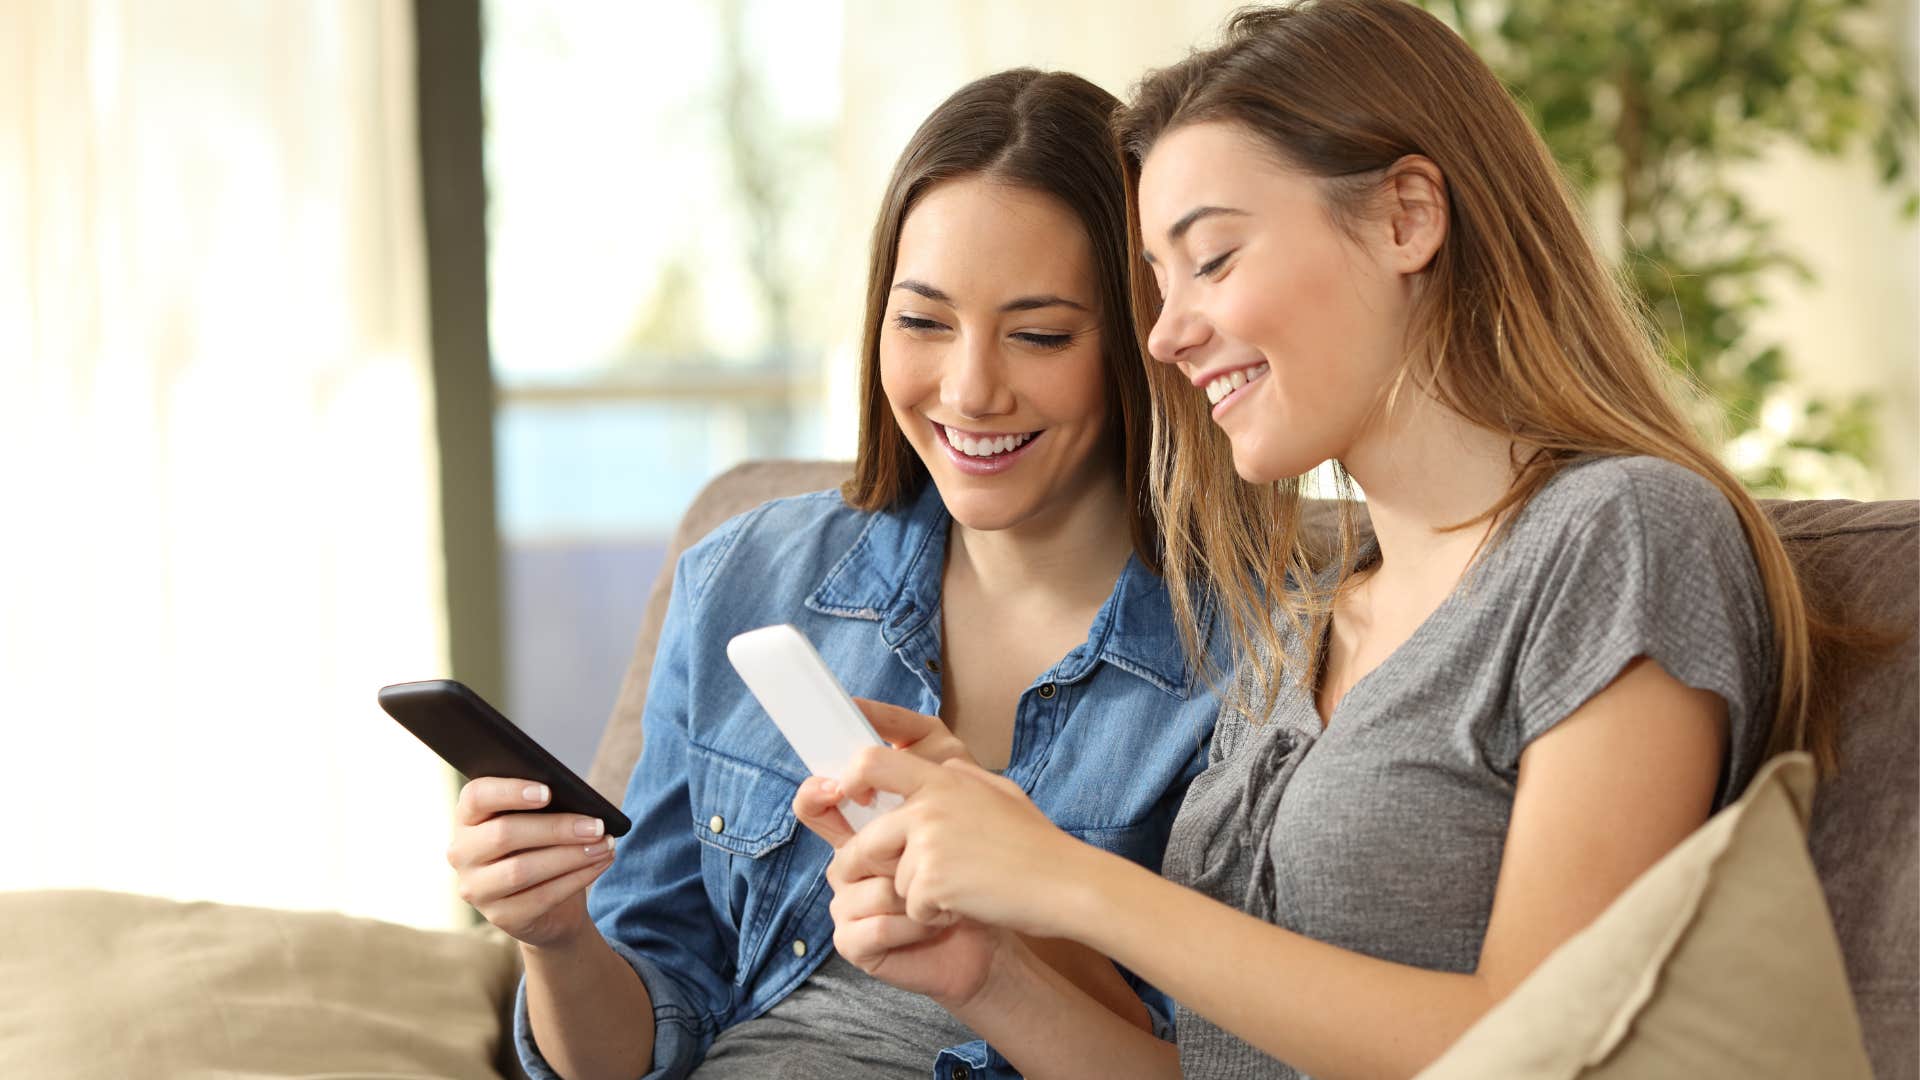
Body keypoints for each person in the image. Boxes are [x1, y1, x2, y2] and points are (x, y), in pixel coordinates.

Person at [796, 3, 1836, 1076]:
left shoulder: (1621, 535)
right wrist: (990, 966)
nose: (1165, 333)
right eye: (1157, 281)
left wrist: (1068, 879)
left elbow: (1543, 1043)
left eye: (1211, 260)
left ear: (1405, 218)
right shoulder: (1303, 629)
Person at [445, 68, 1223, 1080]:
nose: (970, 388)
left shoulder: (1249, 659)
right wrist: (554, 939)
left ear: (1141, 342)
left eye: (1038, 335)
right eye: (924, 321)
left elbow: (1218, 1061)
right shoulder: (745, 576)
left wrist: (1007, 921)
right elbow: (634, 1038)